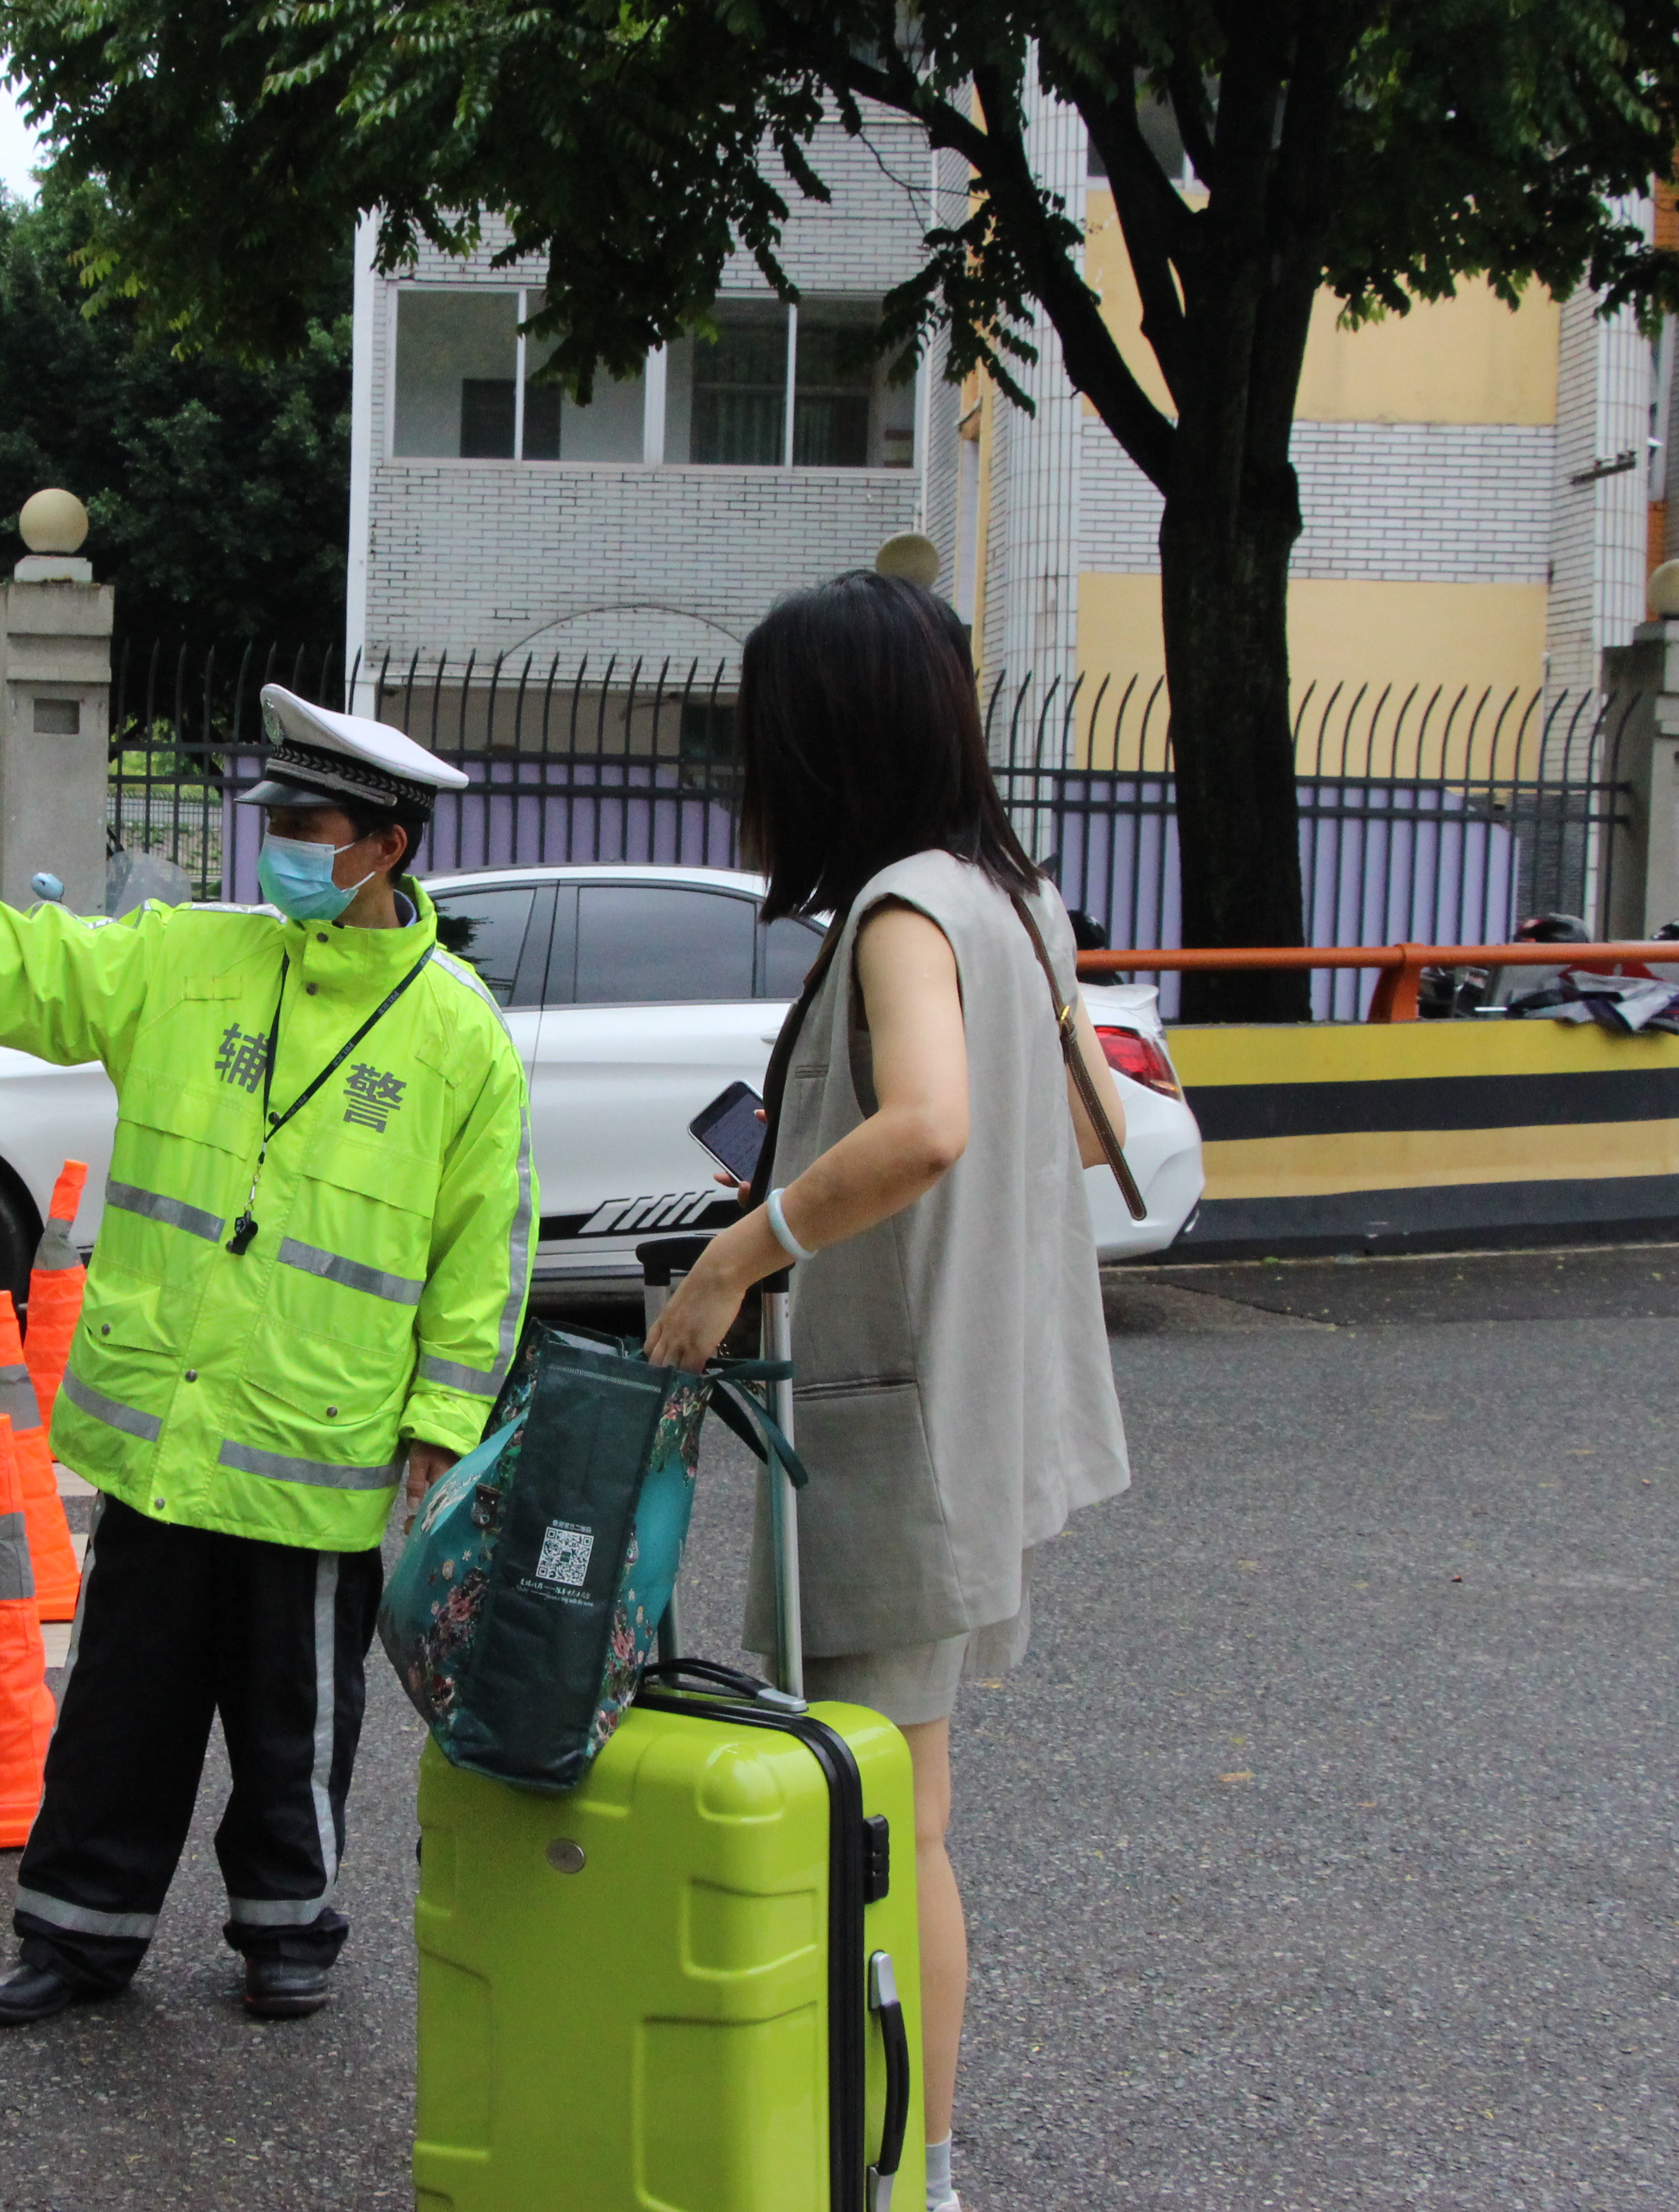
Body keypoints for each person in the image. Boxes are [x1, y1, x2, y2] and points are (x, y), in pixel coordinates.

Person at [0, 686, 534, 2026]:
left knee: (297, 1723)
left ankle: (289, 1930)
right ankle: (77, 1936)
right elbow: (27, 964)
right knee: (122, 1708)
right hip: (166, 1430)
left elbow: (483, 1251)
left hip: (315, 1443)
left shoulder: (458, 1036)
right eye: (272, 820)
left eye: (309, 825)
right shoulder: (187, 957)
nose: (277, 847)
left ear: (384, 847)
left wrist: (443, 1430)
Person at [643, 571, 1131, 2212]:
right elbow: (1072, 1133)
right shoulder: (1011, 894)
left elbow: (927, 1125)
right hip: (973, 1404)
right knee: (908, 1801)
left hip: (897, 1423)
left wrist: (738, 1252)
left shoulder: (903, 911)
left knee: (898, 1819)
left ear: (824, 736)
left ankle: (907, 2169)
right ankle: (898, 2151)